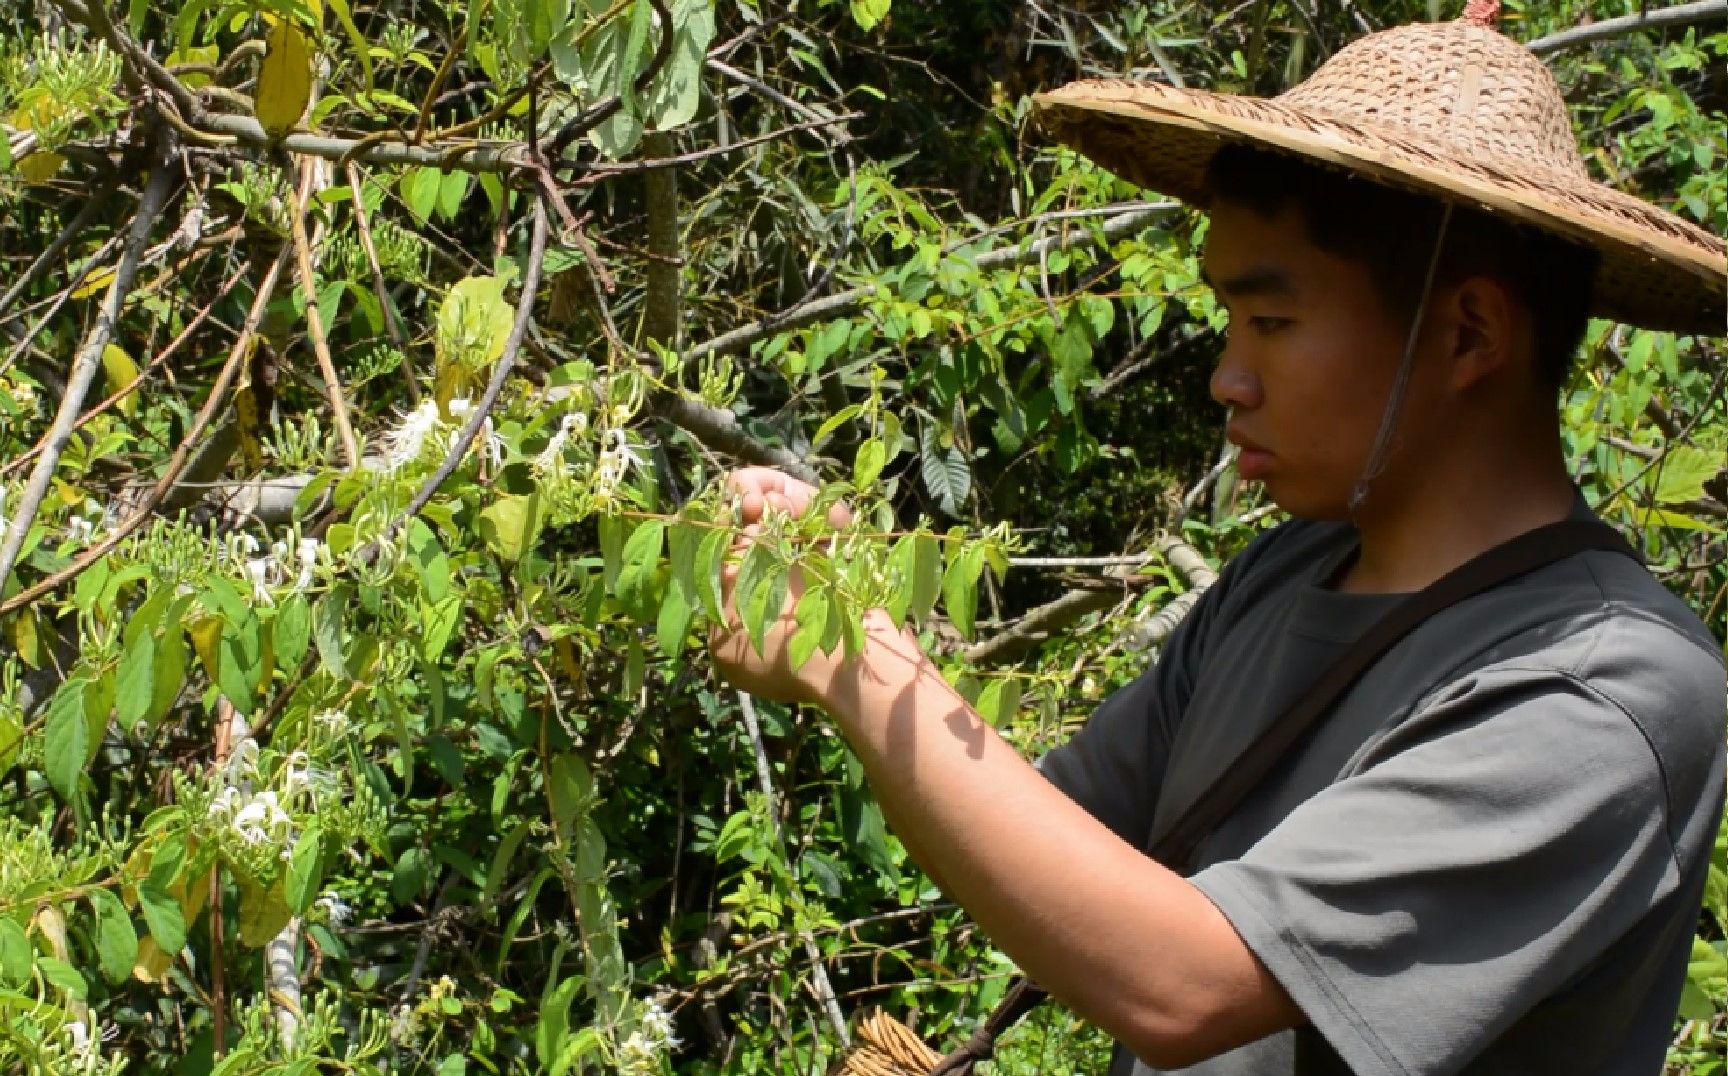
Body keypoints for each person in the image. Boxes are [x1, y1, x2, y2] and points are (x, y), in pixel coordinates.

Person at [707, 4, 1728, 1073]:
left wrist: (861, 664)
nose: (1227, 377)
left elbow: (1184, 981)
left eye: (1272, 322)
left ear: (1469, 332)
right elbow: (1049, 836)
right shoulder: (1289, 572)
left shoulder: (1605, 686)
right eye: (1231, 323)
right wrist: (841, 587)